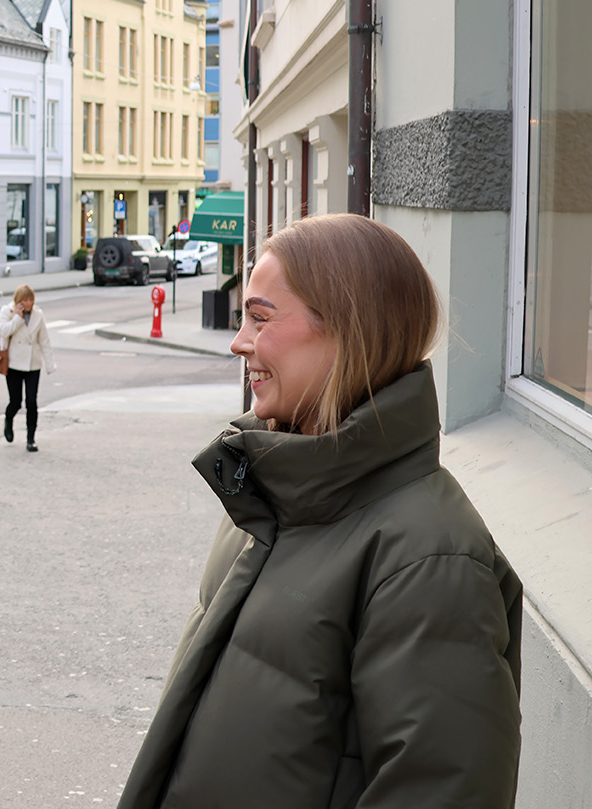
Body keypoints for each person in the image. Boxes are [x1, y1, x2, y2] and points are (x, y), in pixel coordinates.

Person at [116, 213, 522, 809]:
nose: (239, 341)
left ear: (347, 329)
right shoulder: (273, 498)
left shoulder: (430, 559)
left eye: (260, 317)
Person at [0, 284, 55, 452]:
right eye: (25, 300)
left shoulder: (38, 314)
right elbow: (3, 331)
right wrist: (17, 318)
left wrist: (50, 364)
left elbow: (44, 340)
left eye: (30, 300)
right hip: (14, 364)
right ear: (18, 301)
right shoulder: (7, 312)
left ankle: (31, 439)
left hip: (32, 364)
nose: (28, 303)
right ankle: (9, 421)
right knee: (15, 402)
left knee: (31, 401)